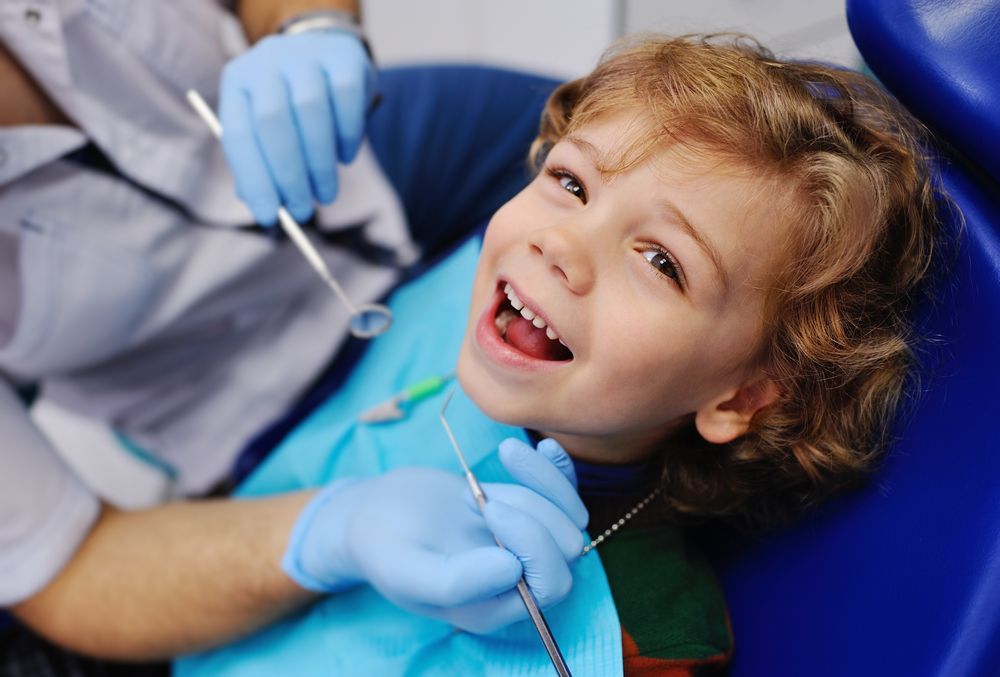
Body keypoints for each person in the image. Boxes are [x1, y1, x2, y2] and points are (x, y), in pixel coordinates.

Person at [175, 33, 950, 676]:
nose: (560, 243)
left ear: (740, 398)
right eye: (572, 182)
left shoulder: (649, 641)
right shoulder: (457, 291)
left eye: (660, 262)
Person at [0, 1, 582, 673]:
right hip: (247, 398)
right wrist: (332, 531)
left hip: (372, 162)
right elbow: (68, 566)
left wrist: (308, 23)